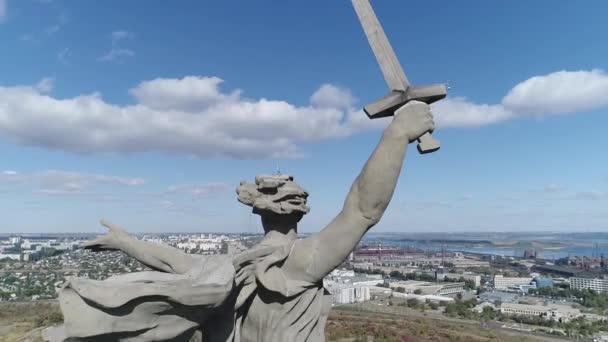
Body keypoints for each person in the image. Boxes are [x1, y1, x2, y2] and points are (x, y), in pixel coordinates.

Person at [43, 100, 435, 342]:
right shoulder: (299, 263)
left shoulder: (231, 268)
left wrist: (126, 241)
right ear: (300, 208)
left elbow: (171, 261)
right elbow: (363, 209)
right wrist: (396, 134)